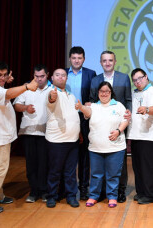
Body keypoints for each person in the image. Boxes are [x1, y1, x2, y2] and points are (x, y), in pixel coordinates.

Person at [0, 61, 38, 214]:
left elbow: (4, 91)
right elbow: (8, 94)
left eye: (5, 75)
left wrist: (4, 83)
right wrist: (26, 87)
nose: (3, 78)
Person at [77, 81, 129, 208]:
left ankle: (112, 197)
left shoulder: (119, 105)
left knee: (113, 174)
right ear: (98, 93)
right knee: (96, 174)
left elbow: (126, 120)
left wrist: (118, 131)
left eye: (107, 91)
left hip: (115, 147)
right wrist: (81, 107)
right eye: (101, 91)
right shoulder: (94, 106)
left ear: (111, 93)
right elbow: (87, 112)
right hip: (96, 148)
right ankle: (93, 196)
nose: (104, 93)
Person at [90, 50, 132, 203]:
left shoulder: (124, 78)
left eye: (110, 60)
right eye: (104, 61)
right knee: (99, 161)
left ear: (115, 62)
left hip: (118, 125)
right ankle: (101, 192)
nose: (107, 63)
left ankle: (120, 191)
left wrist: (128, 116)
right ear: (101, 63)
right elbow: (92, 101)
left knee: (118, 161)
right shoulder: (95, 80)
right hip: (100, 127)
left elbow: (128, 100)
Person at [13, 64, 52, 203]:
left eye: (42, 76)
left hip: (46, 133)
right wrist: (25, 107)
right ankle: (33, 191)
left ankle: (44, 191)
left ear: (47, 75)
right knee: (31, 164)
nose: (39, 79)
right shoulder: (27, 88)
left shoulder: (52, 89)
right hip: (28, 131)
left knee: (44, 163)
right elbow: (16, 105)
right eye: (36, 76)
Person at [45, 69, 81, 208]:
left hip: (72, 140)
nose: (61, 77)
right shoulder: (52, 92)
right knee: (55, 171)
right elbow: (51, 99)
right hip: (57, 140)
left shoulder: (70, 95)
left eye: (63, 75)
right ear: (52, 77)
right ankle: (52, 196)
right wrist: (52, 96)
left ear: (67, 78)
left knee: (71, 172)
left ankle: (71, 196)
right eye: (57, 75)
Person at [65, 46, 97, 200]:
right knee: (68, 154)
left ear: (83, 59)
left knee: (84, 156)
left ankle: (83, 188)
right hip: (67, 118)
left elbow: (95, 95)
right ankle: (67, 188)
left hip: (84, 118)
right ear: (70, 59)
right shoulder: (63, 74)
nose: (76, 60)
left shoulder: (91, 74)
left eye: (79, 58)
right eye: (74, 58)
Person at [127, 68, 153, 204]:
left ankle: (151, 195)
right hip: (136, 135)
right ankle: (141, 192)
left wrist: (146, 109)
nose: (138, 82)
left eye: (140, 78)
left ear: (146, 77)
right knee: (138, 167)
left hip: (149, 136)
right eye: (134, 80)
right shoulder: (134, 93)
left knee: (149, 167)